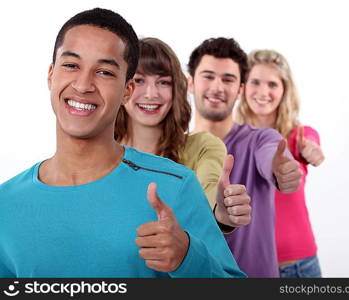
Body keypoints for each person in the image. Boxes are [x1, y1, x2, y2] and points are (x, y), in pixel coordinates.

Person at [0, 8, 245, 278]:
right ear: (51, 75)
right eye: (71, 65)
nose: (83, 85)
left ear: (126, 90)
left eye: (104, 72)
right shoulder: (5, 203)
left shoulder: (176, 186)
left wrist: (188, 257)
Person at [187, 37, 302, 277]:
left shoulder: (260, 140)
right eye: (208, 76)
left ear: (240, 89)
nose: (217, 87)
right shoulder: (174, 149)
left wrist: (281, 170)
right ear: (190, 83)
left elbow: (271, 156)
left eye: (228, 79)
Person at [114, 38, 251, 231]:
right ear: (123, 86)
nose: (151, 94)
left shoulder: (203, 147)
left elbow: (209, 189)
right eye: (139, 80)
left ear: (176, 88)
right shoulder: (98, 152)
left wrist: (221, 211)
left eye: (163, 82)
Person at [236, 49, 325, 277]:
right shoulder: (232, 141)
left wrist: (311, 151)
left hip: (299, 267)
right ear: (243, 86)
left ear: (284, 90)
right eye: (255, 82)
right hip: (248, 267)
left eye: (272, 84)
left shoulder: (300, 137)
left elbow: (312, 144)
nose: (263, 92)